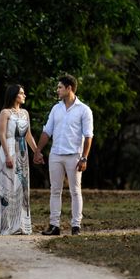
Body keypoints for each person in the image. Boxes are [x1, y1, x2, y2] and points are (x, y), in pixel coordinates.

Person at [33, 74, 93, 236]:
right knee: (55, 190)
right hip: (56, 155)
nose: (57, 90)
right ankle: (54, 226)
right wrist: (38, 150)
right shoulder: (56, 108)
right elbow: (47, 131)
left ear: (69, 88)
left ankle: (76, 226)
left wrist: (84, 157)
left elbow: (88, 136)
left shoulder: (84, 110)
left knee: (75, 190)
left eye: (60, 87)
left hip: (74, 156)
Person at [0, 84, 38, 235]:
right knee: (8, 187)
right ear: (14, 95)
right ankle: (7, 226)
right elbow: (2, 134)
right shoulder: (5, 113)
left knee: (22, 187)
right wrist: (8, 155)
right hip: (9, 149)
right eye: (22, 93)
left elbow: (28, 135)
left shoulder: (25, 113)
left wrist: (36, 152)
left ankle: (21, 225)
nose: (24, 95)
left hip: (22, 151)